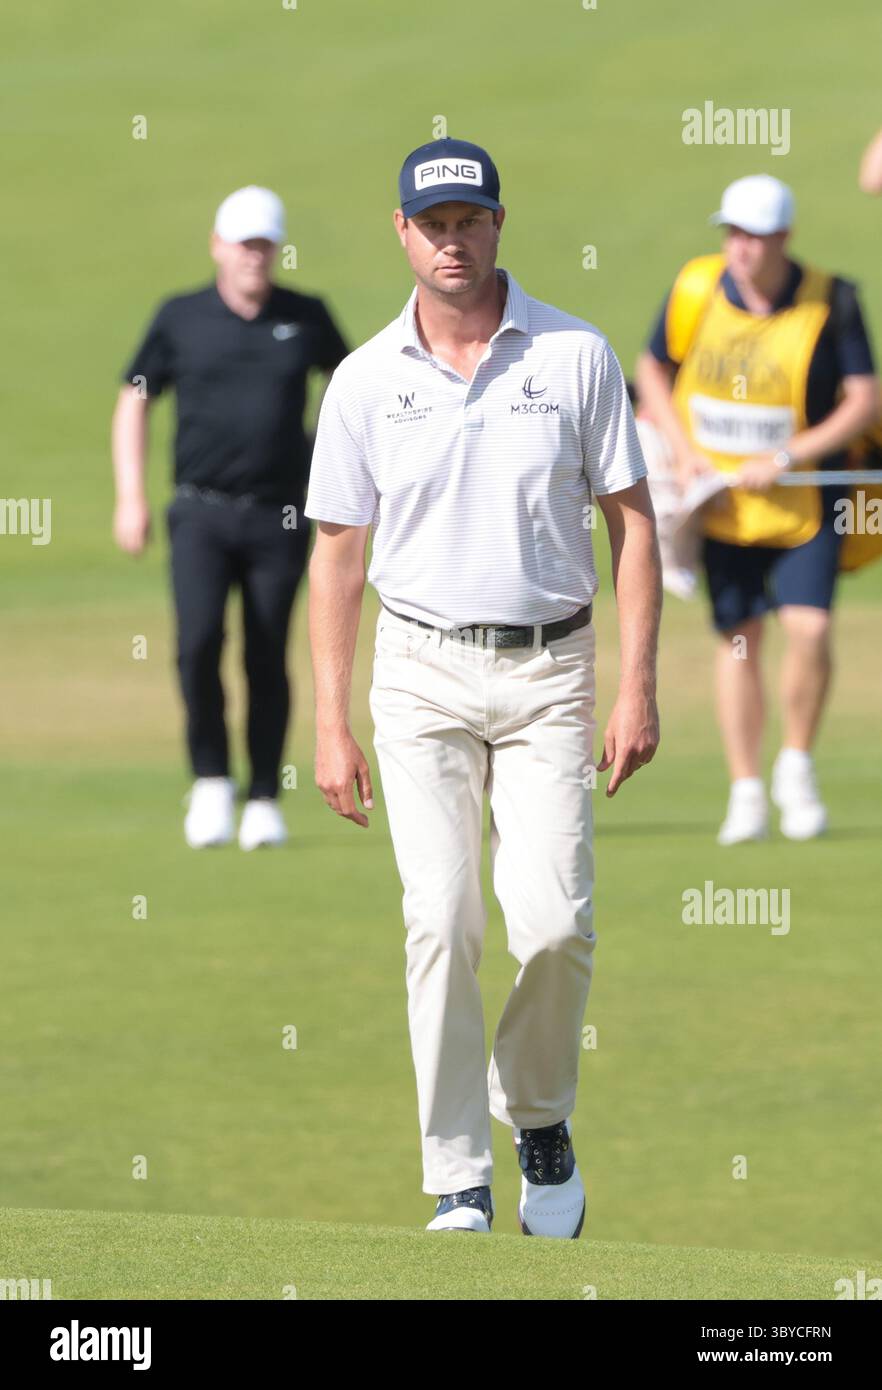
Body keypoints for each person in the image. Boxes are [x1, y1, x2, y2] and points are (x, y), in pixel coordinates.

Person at [303, 138, 661, 1236]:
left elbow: (633, 523)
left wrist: (637, 683)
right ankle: (458, 1171)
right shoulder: (367, 378)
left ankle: (538, 1117)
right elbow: (336, 555)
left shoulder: (576, 356)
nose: (452, 239)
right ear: (401, 232)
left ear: (499, 223)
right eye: (432, 222)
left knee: (554, 925)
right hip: (418, 677)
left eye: (470, 219)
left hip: (554, 670)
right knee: (442, 918)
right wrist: (328, 717)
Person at [635, 175, 879, 845]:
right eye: (733, 233)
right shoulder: (696, 288)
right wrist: (683, 452)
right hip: (720, 505)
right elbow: (653, 366)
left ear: (782, 239)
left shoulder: (834, 300)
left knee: (809, 630)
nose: (740, 248)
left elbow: (864, 399)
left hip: (805, 501)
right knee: (739, 639)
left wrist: (793, 455)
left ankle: (795, 765)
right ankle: (745, 789)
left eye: (754, 236)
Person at [112, 186, 348, 849]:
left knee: (267, 652)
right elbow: (134, 399)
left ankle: (266, 797)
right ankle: (212, 782)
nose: (254, 257)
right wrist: (130, 497)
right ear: (218, 246)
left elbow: (352, 386)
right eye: (243, 244)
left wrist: (341, 472)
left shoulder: (305, 317)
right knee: (196, 645)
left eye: (265, 245)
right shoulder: (179, 317)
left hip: (281, 517)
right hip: (200, 511)